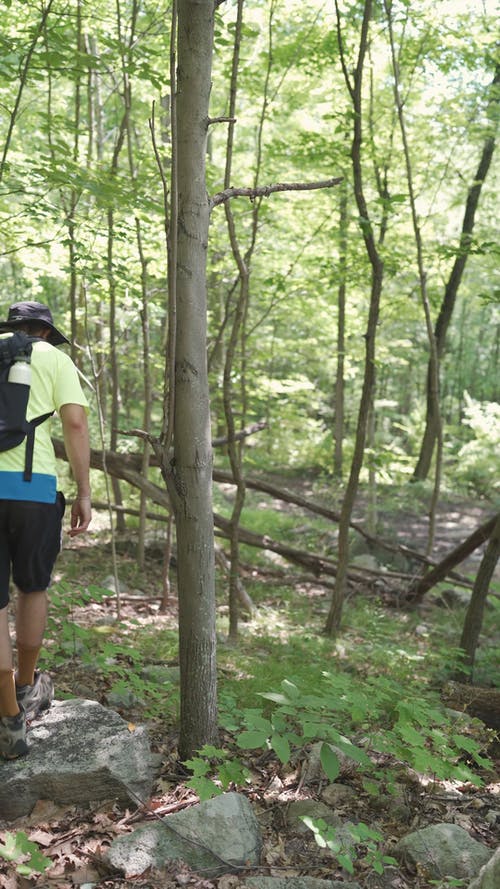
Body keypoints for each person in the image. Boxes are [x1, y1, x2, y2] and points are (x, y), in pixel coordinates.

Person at [0, 301, 91, 759]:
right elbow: (74, 423)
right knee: (33, 588)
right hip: (34, 491)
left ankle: (7, 716)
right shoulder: (57, 360)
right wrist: (84, 491)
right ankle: (26, 685)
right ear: (45, 332)